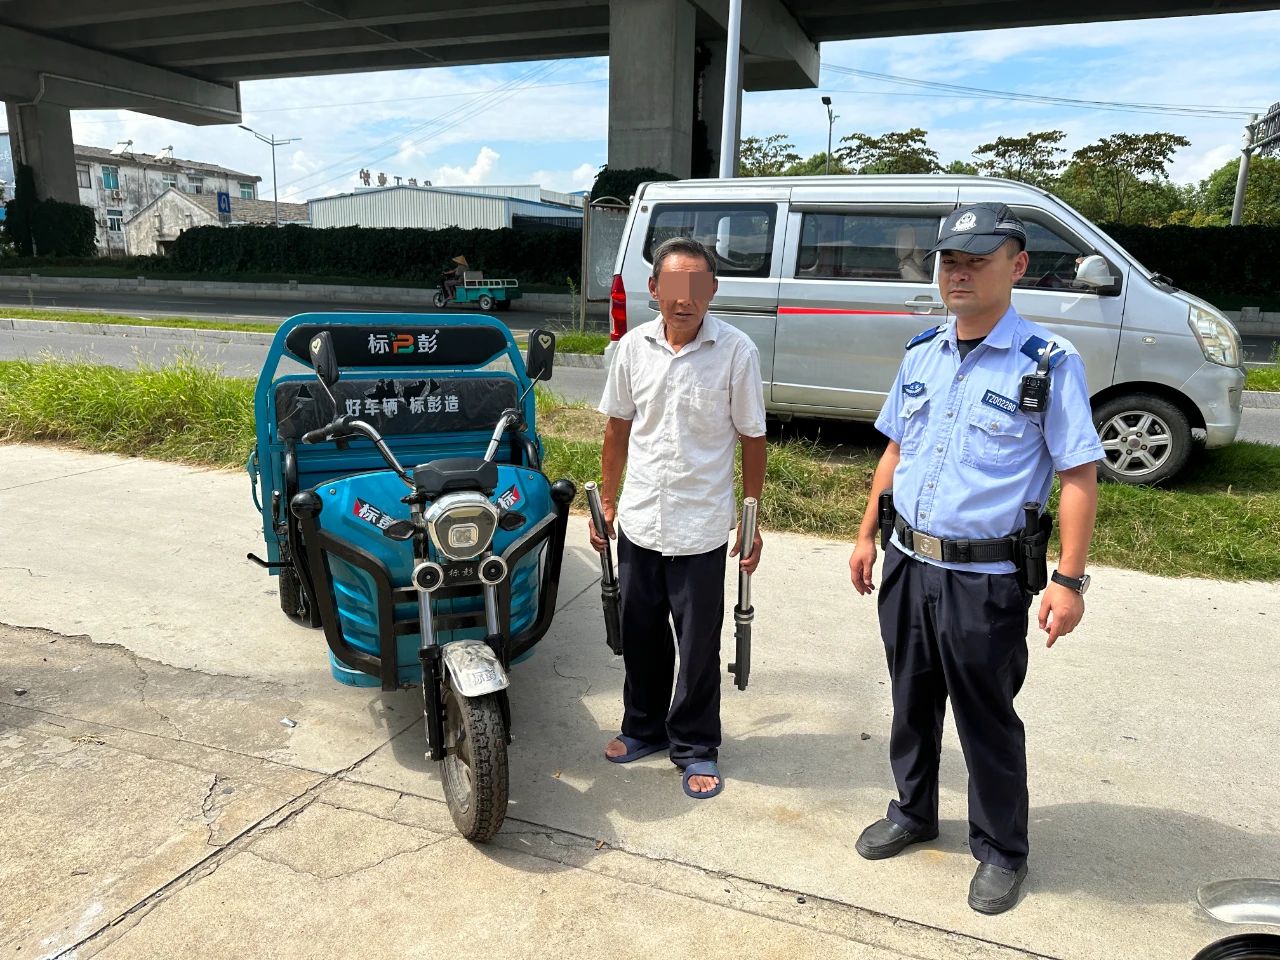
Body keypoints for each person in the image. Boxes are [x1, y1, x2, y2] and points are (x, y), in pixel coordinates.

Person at [848, 203, 1104, 914]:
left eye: (976, 261)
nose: (958, 274)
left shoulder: (1048, 362)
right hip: (908, 561)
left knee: (985, 717)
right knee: (910, 700)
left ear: (1017, 266)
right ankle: (913, 810)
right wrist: (867, 534)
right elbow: (897, 449)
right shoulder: (922, 352)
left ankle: (1000, 850)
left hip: (984, 579)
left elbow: (1078, 473)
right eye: (949, 262)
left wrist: (1069, 580)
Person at [590, 236, 767, 800]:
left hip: (701, 526)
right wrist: (608, 502)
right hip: (641, 518)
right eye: (673, 286)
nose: (683, 299)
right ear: (654, 289)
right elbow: (617, 427)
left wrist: (752, 520)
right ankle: (644, 727)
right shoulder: (632, 348)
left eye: (696, 286)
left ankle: (694, 744)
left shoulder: (736, 351)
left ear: (712, 290)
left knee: (697, 645)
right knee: (641, 633)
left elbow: (753, 437)